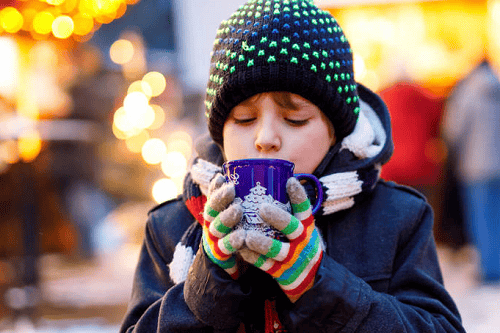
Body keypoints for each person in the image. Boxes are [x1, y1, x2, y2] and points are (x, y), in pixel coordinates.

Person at [120, 1, 464, 332]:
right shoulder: (171, 226)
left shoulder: (396, 217)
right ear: (219, 132)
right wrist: (207, 287)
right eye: (244, 118)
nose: (265, 137)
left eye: (294, 119)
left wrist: (322, 288)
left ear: (335, 131)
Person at [442, 59, 500, 284]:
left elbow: (454, 129)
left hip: (476, 165)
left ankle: (488, 267)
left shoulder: (468, 91)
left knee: (481, 218)